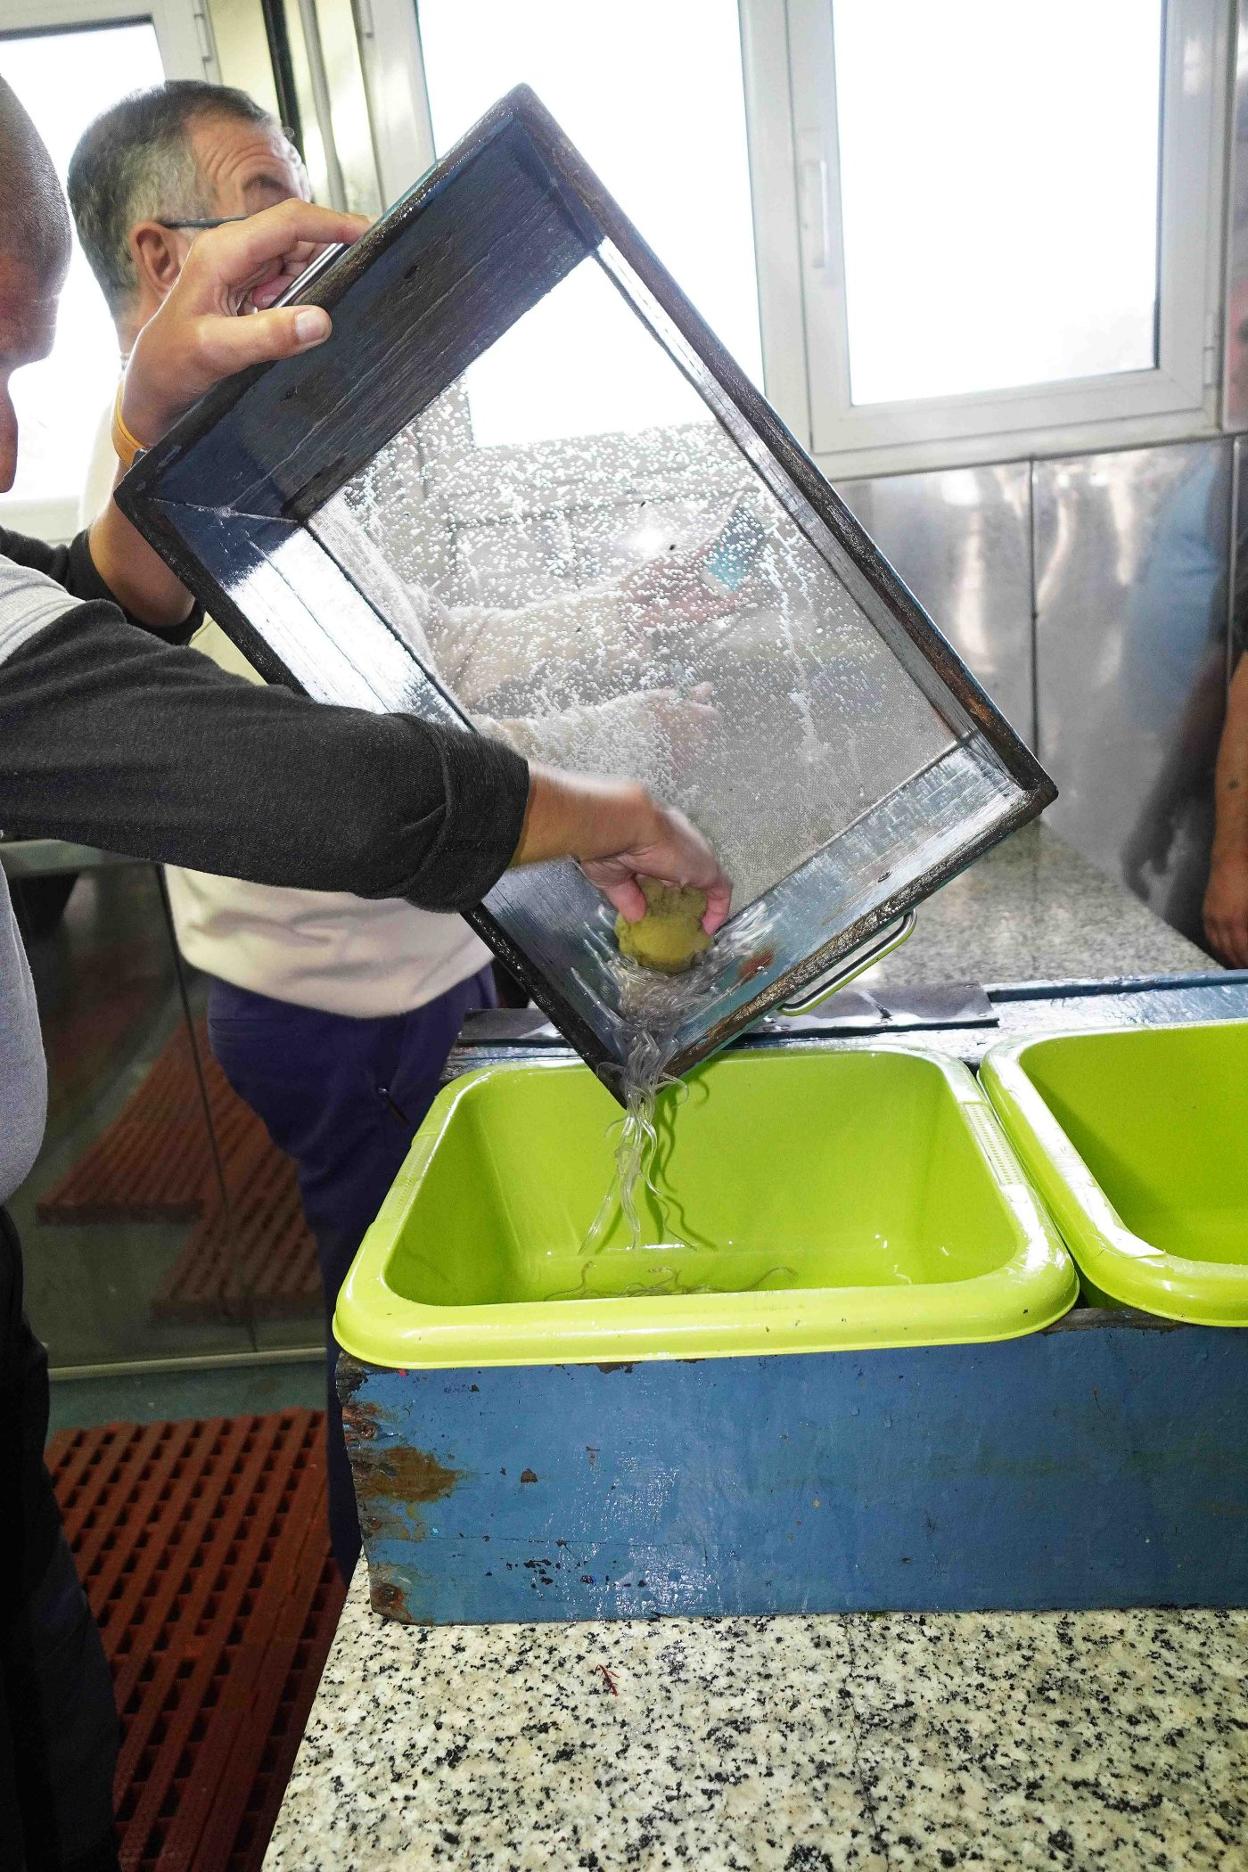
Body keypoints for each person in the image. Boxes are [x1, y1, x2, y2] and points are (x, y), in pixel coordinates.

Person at [0, 77, 729, 1871]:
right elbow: (337, 776)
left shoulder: (212, 476)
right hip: (328, 991)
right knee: (373, 1348)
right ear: (162, 254)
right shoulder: (165, 497)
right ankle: (398, 1604)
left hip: (395, 964)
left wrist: (617, 659)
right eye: (262, 200)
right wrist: (595, 811)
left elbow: (390, 658)